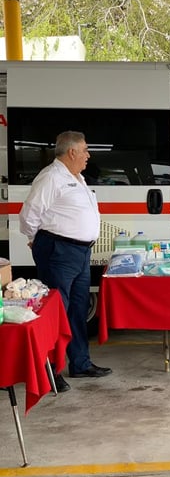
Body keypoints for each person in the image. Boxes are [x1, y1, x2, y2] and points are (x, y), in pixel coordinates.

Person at [19, 131, 112, 392]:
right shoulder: (51, 177)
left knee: (77, 310)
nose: (88, 155)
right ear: (72, 152)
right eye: (85, 150)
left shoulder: (77, 177)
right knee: (56, 312)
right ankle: (51, 371)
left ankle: (80, 363)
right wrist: (35, 239)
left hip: (81, 252)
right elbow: (29, 214)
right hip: (60, 251)